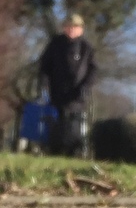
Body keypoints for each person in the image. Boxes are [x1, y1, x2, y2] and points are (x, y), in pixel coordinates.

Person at [38, 14, 98, 156]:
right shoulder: (55, 44)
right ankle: (53, 151)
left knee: (73, 125)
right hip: (56, 92)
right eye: (69, 27)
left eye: (75, 27)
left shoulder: (87, 47)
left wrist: (85, 87)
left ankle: (73, 152)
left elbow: (93, 70)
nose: (71, 30)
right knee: (56, 123)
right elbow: (44, 67)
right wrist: (43, 85)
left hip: (77, 95)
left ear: (81, 29)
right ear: (64, 28)